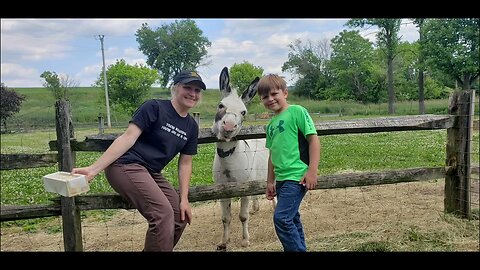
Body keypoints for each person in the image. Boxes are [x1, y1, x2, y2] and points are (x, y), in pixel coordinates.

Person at [71, 70, 206, 251]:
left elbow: (185, 163)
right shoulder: (155, 107)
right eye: (187, 87)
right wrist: (94, 169)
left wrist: (184, 199)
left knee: (178, 216)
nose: (192, 93)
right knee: (162, 214)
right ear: (175, 88)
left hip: (151, 172)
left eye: (197, 90)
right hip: (125, 166)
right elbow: (128, 138)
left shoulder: (191, 126)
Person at [257, 74, 321, 252]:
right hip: (282, 179)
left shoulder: (297, 111)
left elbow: (313, 140)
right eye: (264, 96)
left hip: (297, 176)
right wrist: (270, 181)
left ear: (285, 93)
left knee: (282, 218)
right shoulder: (270, 125)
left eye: (274, 94)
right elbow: (272, 154)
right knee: (292, 218)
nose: (270, 99)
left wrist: (312, 171)